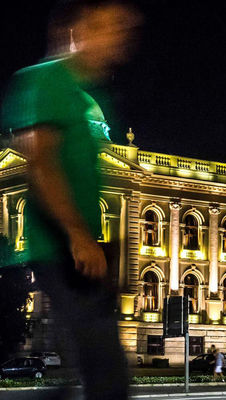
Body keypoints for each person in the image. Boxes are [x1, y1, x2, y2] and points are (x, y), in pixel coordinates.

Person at [0, 1, 141, 399]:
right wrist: (79, 235)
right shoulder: (45, 80)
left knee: (97, 374)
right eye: (107, 27)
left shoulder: (92, 95)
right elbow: (41, 163)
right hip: (60, 249)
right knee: (107, 377)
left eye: (122, 29)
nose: (118, 38)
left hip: (85, 256)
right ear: (77, 29)